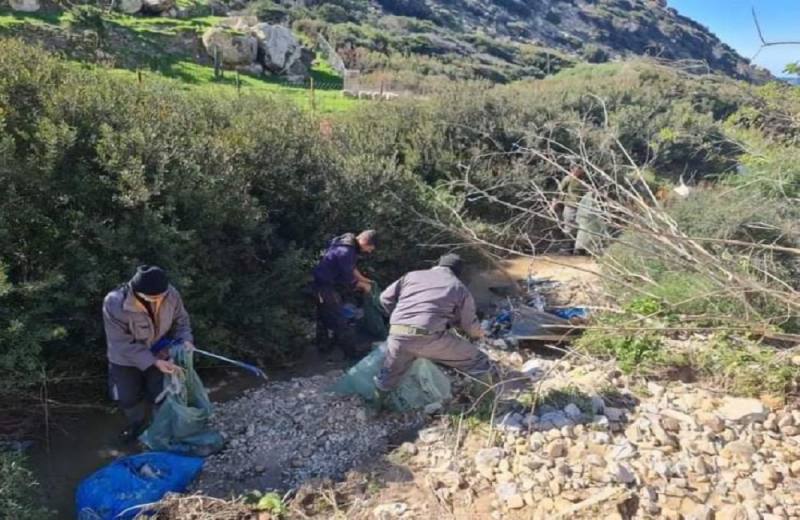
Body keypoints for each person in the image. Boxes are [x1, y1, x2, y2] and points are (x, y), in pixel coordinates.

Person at [372, 254, 494, 413]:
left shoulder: (412, 276)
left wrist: (400, 318)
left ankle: (374, 410)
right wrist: (478, 334)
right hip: (428, 338)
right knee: (479, 361)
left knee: (388, 377)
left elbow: (384, 298)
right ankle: (486, 407)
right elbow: (469, 324)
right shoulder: (457, 287)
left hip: (397, 334)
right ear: (457, 271)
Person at [103, 265, 194, 443]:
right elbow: (120, 343)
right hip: (124, 358)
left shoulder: (171, 293)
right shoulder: (114, 302)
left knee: (159, 392)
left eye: (162, 295)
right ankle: (136, 425)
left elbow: (181, 322)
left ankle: (160, 428)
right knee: (127, 397)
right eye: (154, 298)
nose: (159, 299)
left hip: (159, 351)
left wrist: (186, 340)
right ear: (138, 293)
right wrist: (152, 361)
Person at [311, 230, 378, 359]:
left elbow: (350, 268)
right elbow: (347, 278)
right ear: (365, 242)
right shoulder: (347, 252)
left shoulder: (344, 243)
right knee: (341, 320)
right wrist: (362, 286)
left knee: (324, 315)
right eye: (370, 248)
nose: (369, 252)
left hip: (319, 284)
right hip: (325, 287)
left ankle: (324, 346)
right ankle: (351, 354)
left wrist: (365, 279)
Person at [552, 164, 589, 253]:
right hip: (570, 206)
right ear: (572, 169)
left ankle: (581, 249)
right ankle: (569, 247)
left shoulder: (583, 180)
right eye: (577, 168)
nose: (579, 170)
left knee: (582, 228)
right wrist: (553, 203)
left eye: (580, 168)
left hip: (582, 207)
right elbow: (558, 191)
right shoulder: (568, 179)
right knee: (569, 227)